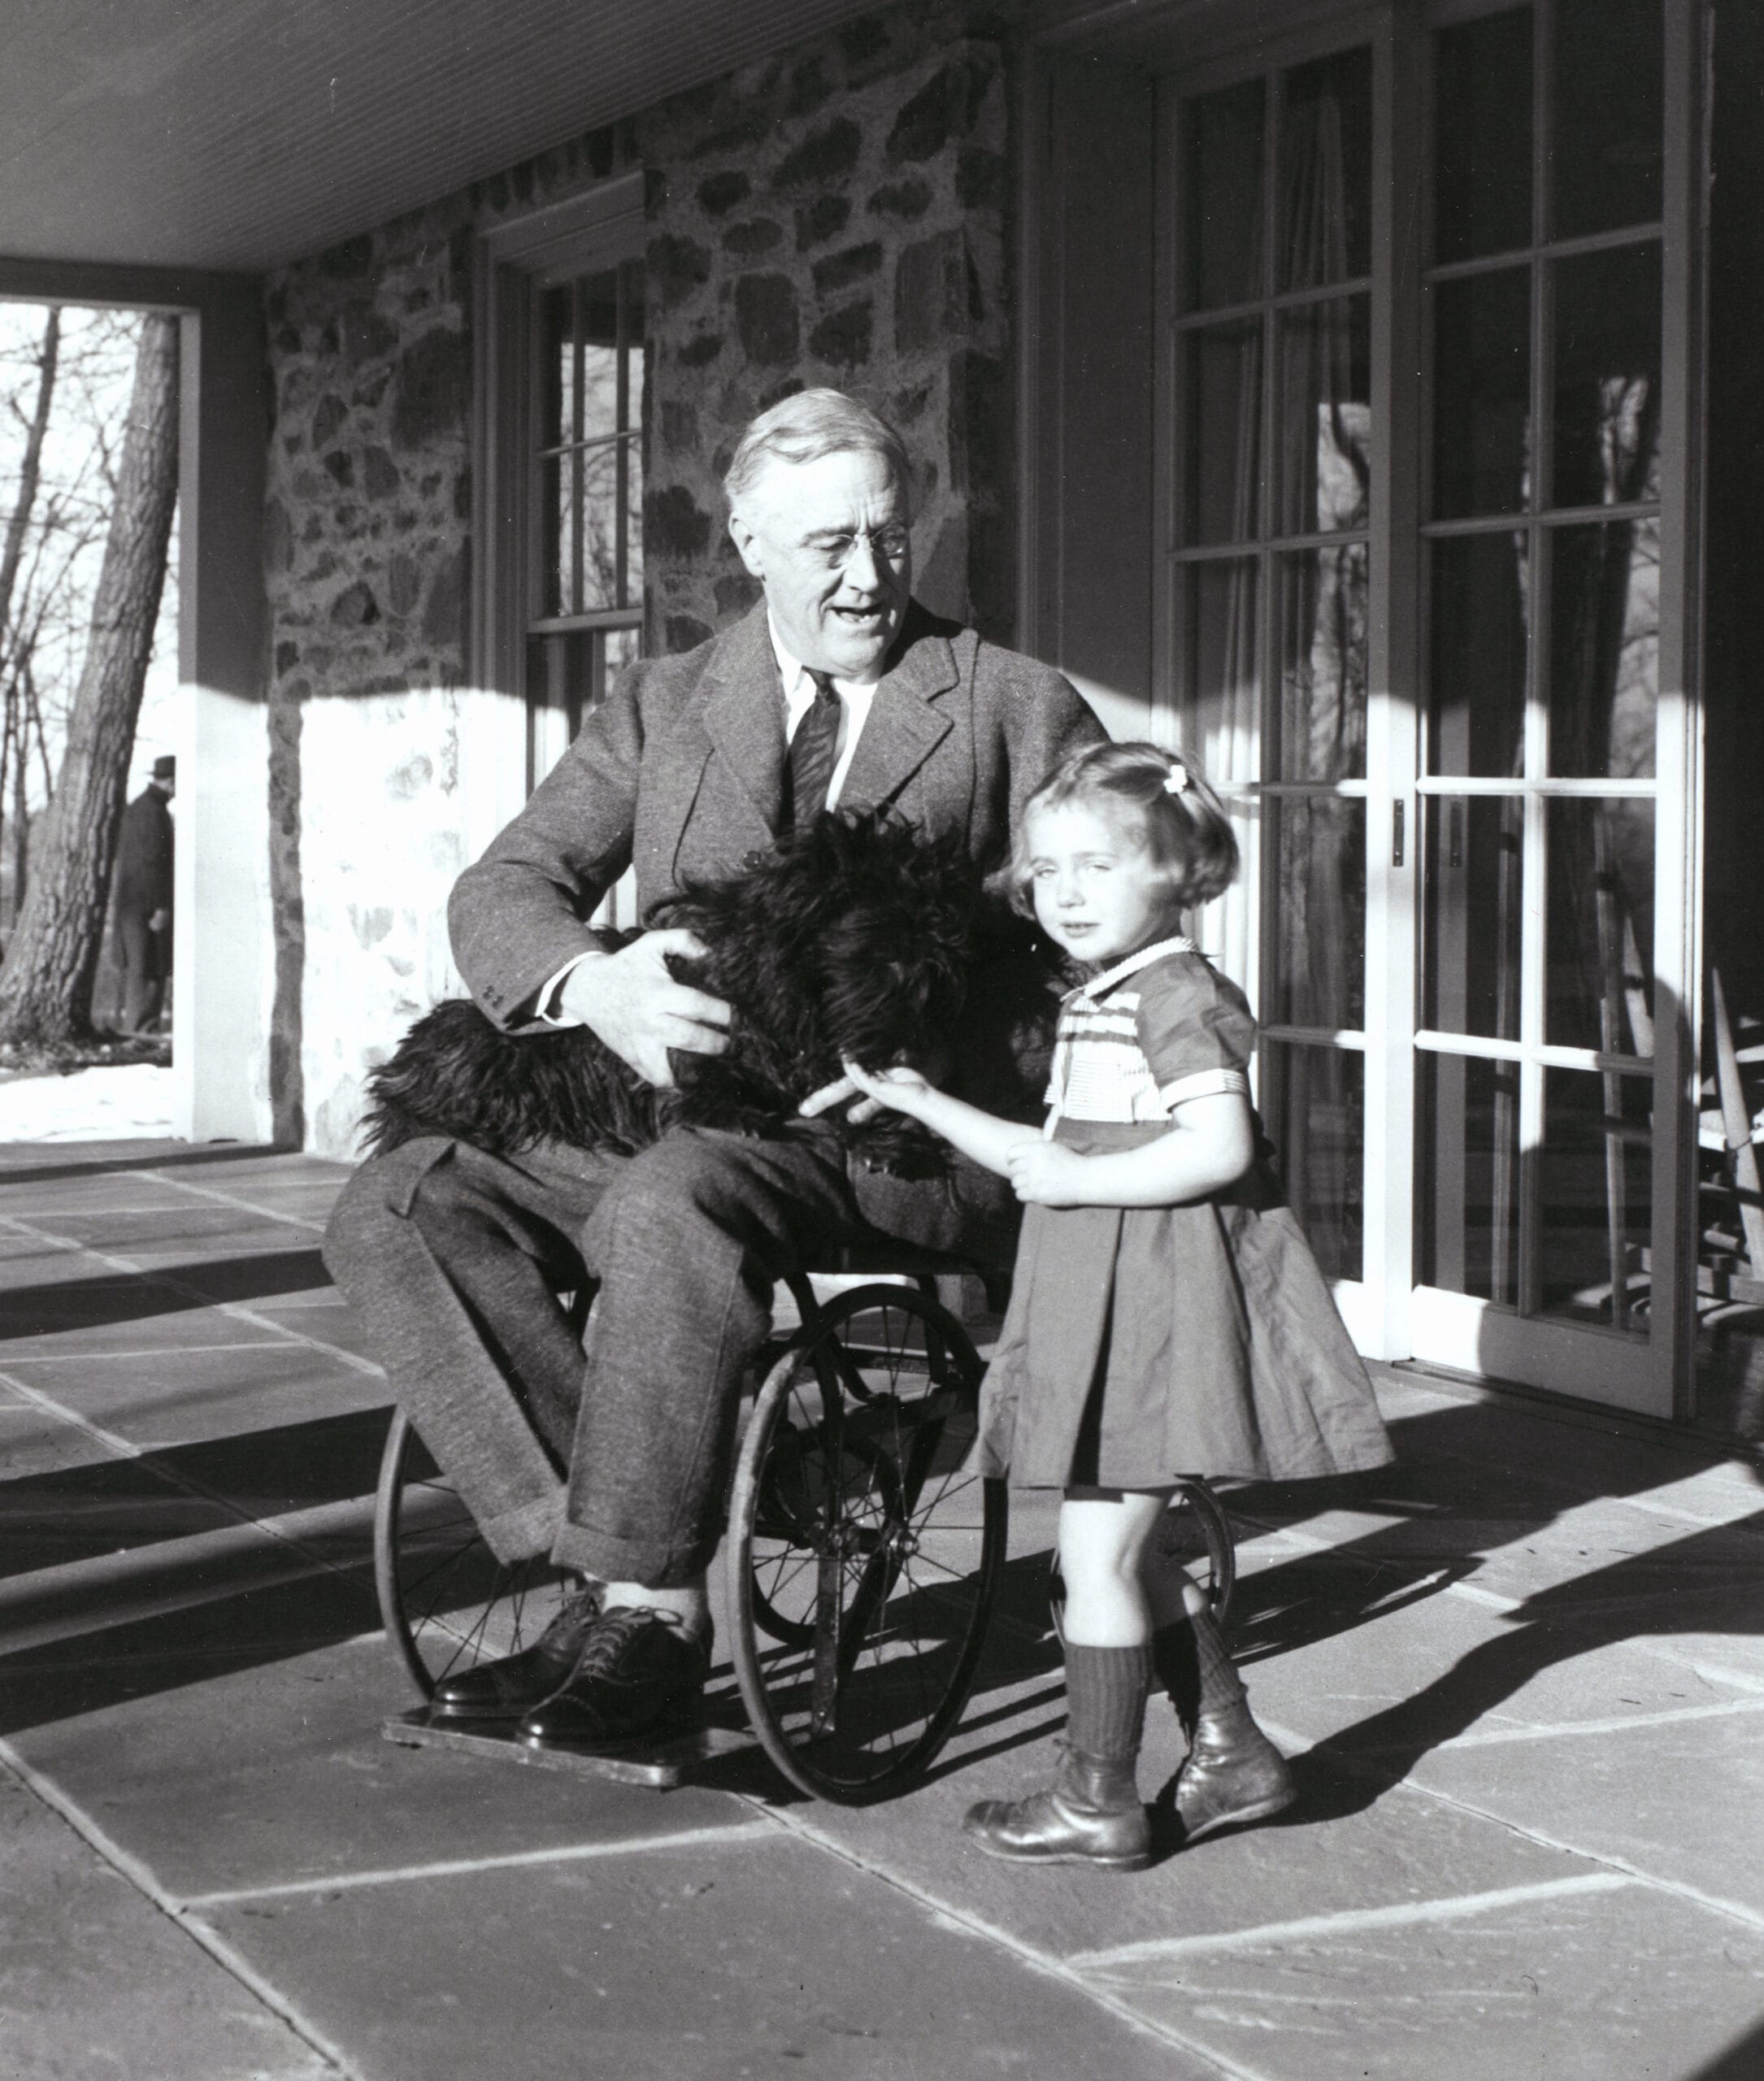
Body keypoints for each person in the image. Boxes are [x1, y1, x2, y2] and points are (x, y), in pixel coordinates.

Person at [323, 389, 1105, 1749]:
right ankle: (615, 1564)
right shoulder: (671, 699)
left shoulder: (1013, 708)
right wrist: (595, 985)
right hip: (686, 1112)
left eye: (888, 536)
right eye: (827, 547)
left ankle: (653, 1618)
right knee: (399, 1201)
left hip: (887, 1142)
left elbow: (1100, 956)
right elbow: (508, 883)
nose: (868, 577)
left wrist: (947, 1067)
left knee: (669, 1203)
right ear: (749, 540)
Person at [842, 739, 1393, 1869]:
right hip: (1108, 1301)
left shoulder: (1178, 994)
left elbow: (1217, 1144)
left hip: (1154, 1310)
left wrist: (1081, 1180)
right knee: (1123, 1552)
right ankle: (1230, 1751)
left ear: (1178, 872)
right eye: (1046, 871)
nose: (1067, 892)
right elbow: (1047, 1151)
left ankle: (1097, 1797)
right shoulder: (1107, 994)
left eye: (1098, 865)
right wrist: (923, 1102)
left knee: (1093, 1559)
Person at [112, 754, 175, 1034]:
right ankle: (140, 1034)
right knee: (148, 971)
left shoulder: (143, 807)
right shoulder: (153, 812)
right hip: (145, 907)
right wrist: (160, 906)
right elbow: (150, 862)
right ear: (171, 782)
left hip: (134, 905)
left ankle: (139, 1032)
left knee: (144, 969)